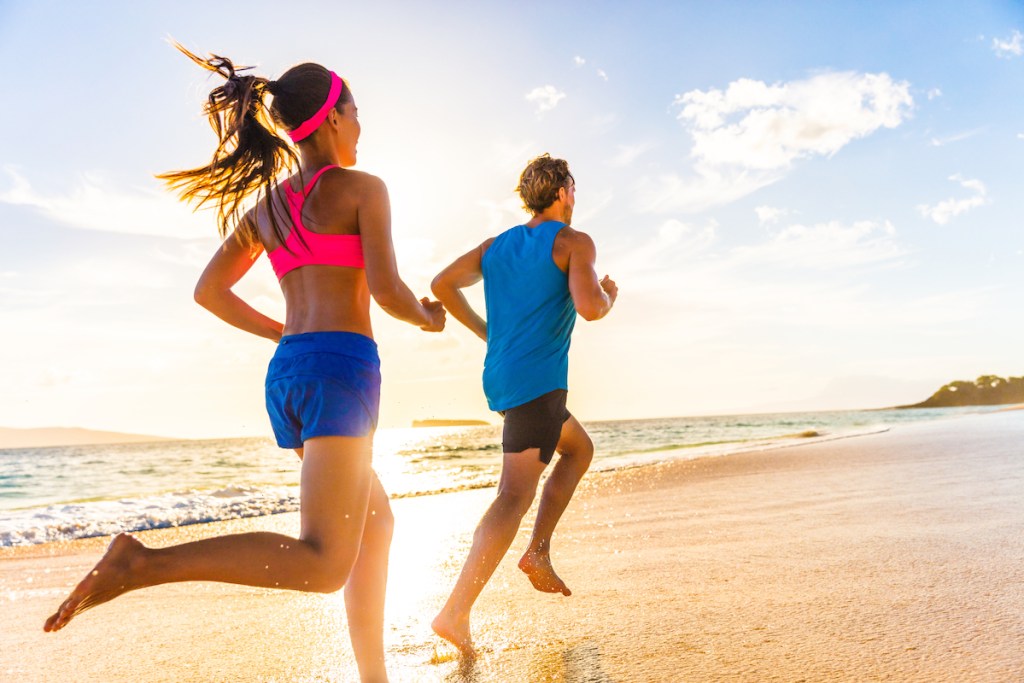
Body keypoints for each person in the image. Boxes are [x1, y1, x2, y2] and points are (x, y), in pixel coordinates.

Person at [43, 46, 444, 683]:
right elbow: (390, 291)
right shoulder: (364, 189)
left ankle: (375, 678)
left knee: (377, 524)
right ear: (335, 118)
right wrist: (427, 317)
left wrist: (286, 331)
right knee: (324, 563)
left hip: (291, 373)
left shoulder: (269, 209)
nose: (362, 128)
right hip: (340, 371)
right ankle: (143, 563)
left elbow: (209, 290)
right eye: (357, 113)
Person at [429, 154, 617, 653]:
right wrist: (609, 294)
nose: (575, 198)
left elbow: (441, 285)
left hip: (507, 380)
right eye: (573, 188)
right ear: (561, 191)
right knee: (513, 495)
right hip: (538, 382)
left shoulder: (497, 246)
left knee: (579, 449)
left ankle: (538, 549)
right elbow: (591, 308)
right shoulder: (574, 242)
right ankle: (455, 612)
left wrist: (487, 334)